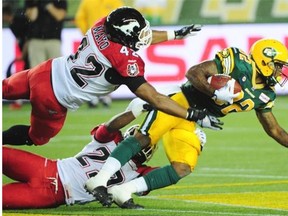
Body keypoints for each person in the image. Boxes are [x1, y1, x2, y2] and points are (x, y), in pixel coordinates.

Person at [84, 38, 288, 207]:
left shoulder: (265, 94)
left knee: (183, 167)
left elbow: (275, 130)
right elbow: (193, 72)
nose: (281, 72)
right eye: (279, 66)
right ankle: (99, 180)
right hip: (179, 103)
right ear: (265, 60)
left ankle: (123, 190)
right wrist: (214, 92)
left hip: (193, 120)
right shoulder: (238, 61)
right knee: (144, 138)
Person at [3, 6, 206, 146]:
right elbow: (155, 98)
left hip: (44, 72)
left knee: (4, 88)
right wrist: (190, 114)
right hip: (53, 99)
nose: (146, 35)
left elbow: (137, 37)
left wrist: (175, 35)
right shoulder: (124, 61)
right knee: (36, 137)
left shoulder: (101, 25)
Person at [3, 106, 158, 209]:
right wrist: (136, 109)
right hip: (48, 168)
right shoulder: (113, 140)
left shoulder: (140, 172)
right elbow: (111, 125)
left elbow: (169, 172)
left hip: (52, 194)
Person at [75, 0, 125, 108]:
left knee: (94, 67)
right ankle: (99, 97)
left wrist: (88, 34)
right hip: (105, 40)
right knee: (103, 67)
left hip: (102, 40)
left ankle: (99, 97)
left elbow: (80, 18)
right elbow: (80, 19)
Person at [3, 2, 30, 110]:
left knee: (26, 77)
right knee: (26, 76)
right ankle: (18, 101)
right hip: (27, 51)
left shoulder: (18, 21)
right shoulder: (12, 23)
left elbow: (28, 38)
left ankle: (18, 102)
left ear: (5, 15)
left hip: (30, 51)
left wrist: (23, 54)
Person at [24, 0, 67, 67]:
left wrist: (48, 5)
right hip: (36, 40)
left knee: (56, 69)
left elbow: (60, 16)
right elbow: (32, 17)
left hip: (53, 39)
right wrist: (35, 3)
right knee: (36, 72)